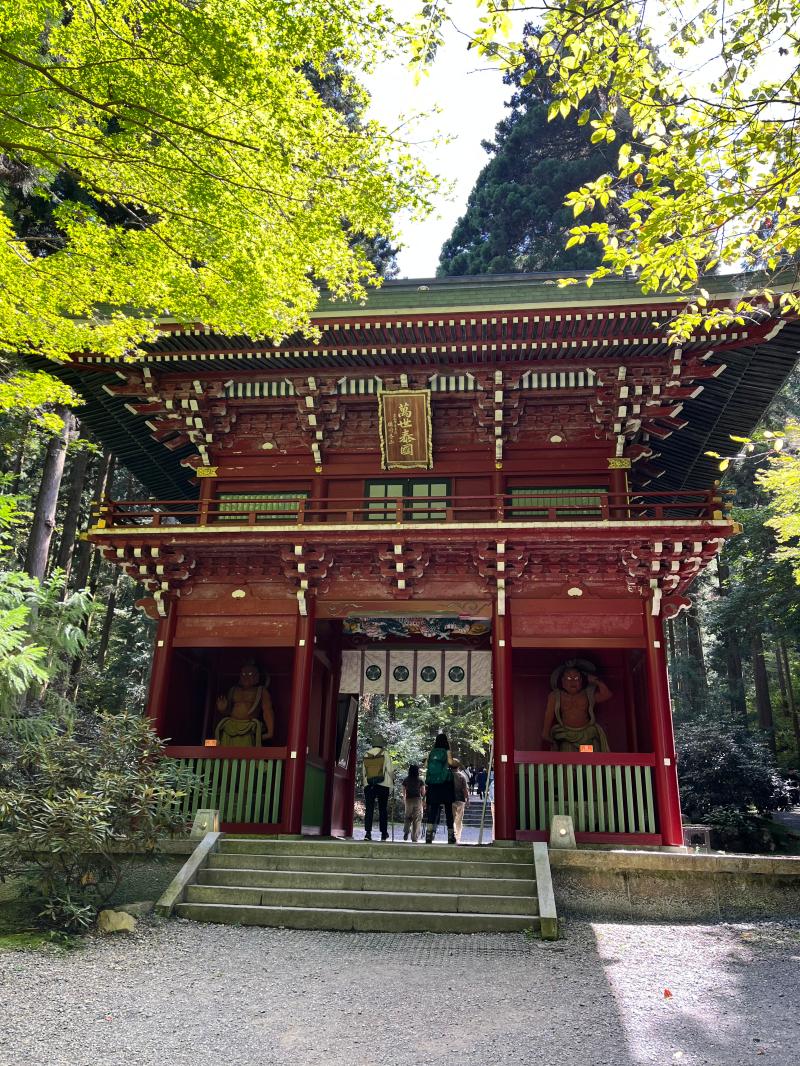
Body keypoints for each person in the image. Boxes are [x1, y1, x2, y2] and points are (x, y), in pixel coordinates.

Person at [542, 659, 612, 752]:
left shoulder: (588, 694)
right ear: (562, 681)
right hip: (566, 735)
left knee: (588, 756)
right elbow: (549, 714)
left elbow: (607, 695)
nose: (573, 682)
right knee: (567, 757)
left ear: (581, 680)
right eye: (569, 678)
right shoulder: (555, 696)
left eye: (576, 678)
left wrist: (596, 681)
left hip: (586, 735)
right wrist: (545, 733)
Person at [215, 661, 274, 747]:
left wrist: (270, 732)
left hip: (248, 727)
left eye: (250, 674)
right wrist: (223, 709)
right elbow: (228, 711)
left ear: (257, 677)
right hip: (230, 727)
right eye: (243, 674)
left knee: (245, 755)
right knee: (227, 754)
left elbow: (267, 710)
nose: (245, 677)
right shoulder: (233, 690)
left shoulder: (261, 691)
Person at [424, 732, 460, 845]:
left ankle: (428, 836)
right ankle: (451, 837)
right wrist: (456, 762)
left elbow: (426, 765)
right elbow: (450, 762)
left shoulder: (432, 752)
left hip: (433, 784)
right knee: (448, 809)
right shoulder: (446, 751)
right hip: (445, 783)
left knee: (433, 809)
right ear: (446, 741)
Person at [362, 740, 393, 841]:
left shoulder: (367, 754)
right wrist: (393, 781)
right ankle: (384, 834)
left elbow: (364, 772)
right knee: (383, 809)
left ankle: (368, 833)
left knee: (369, 809)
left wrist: (365, 784)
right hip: (383, 785)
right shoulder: (385, 754)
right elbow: (390, 770)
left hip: (369, 784)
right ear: (381, 744)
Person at [401, 764, 426, 842]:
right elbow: (423, 792)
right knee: (417, 819)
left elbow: (403, 790)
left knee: (407, 816)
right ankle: (414, 838)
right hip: (417, 800)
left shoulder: (406, 779)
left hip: (408, 800)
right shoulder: (420, 780)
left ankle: (406, 831)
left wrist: (404, 798)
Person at [451, 764, 470, 844]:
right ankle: (458, 837)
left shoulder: (448, 776)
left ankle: (451, 836)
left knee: (451, 819)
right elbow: (465, 789)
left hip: (450, 800)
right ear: (458, 767)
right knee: (459, 820)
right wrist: (467, 799)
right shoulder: (462, 776)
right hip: (460, 800)